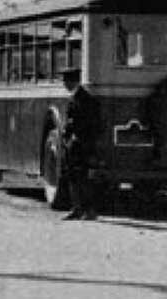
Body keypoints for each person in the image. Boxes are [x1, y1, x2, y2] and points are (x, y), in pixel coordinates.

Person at [61, 69, 101, 220]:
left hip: (82, 143)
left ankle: (87, 209)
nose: (64, 84)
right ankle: (78, 208)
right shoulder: (78, 97)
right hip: (76, 142)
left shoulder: (83, 98)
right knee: (74, 176)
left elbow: (87, 122)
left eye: (66, 81)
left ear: (73, 81)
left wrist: (74, 135)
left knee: (83, 177)